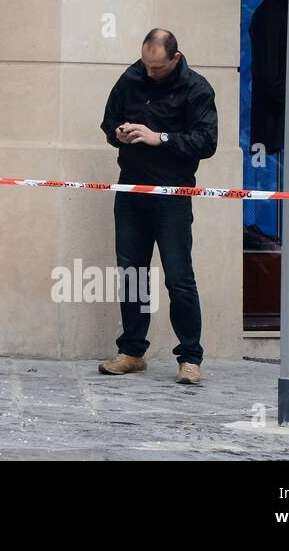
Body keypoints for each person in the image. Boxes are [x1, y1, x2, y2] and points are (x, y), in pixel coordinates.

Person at [98, 28, 216, 385]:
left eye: (157, 68)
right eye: (146, 65)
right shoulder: (131, 77)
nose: (149, 73)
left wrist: (158, 137)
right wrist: (117, 132)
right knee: (132, 273)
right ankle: (133, 352)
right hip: (132, 191)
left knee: (179, 277)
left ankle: (190, 358)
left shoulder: (197, 88)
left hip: (173, 195)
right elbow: (107, 122)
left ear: (175, 58)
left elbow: (206, 142)